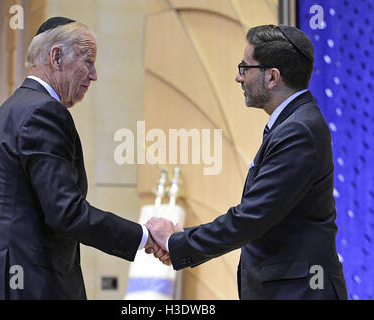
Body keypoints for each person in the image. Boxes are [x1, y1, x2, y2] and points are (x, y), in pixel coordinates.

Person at [0, 17, 167, 300]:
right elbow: (67, 213)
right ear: (57, 57)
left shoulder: (14, 108)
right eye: (88, 61)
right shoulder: (42, 112)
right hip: (27, 284)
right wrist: (145, 236)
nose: (94, 74)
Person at [146, 24, 348, 300]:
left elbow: (252, 217)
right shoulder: (295, 122)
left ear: (272, 77)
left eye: (245, 67)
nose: (239, 78)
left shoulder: (298, 129)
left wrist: (176, 242)